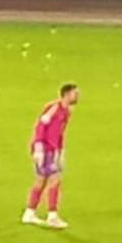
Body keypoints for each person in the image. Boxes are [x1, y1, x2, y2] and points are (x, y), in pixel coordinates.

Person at [22, 83, 80, 229]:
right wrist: (38, 148)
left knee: (42, 180)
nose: (77, 96)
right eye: (75, 93)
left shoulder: (67, 111)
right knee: (54, 180)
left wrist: (60, 152)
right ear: (66, 94)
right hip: (44, 149)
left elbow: (60, 133)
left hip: (52, 151)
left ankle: (29, 213)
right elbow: (40, 126)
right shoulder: (54, 108)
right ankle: (52, 216)